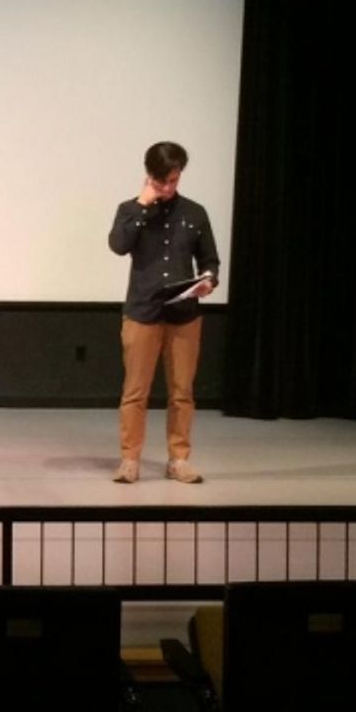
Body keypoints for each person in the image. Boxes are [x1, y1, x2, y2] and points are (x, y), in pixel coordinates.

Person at [108, 141, 220, 484]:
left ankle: (179, 459)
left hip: (184, 314)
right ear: (150, 176)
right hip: (143, 311)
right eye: (163, 181)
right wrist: (143, 205)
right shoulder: (130, 209)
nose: (169, 187)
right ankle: (130, 460)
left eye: (174, 180)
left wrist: (209, 281)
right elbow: (118, 245)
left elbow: (210, 260)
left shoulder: (195, 213)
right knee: (135, 392)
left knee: (182, 392)